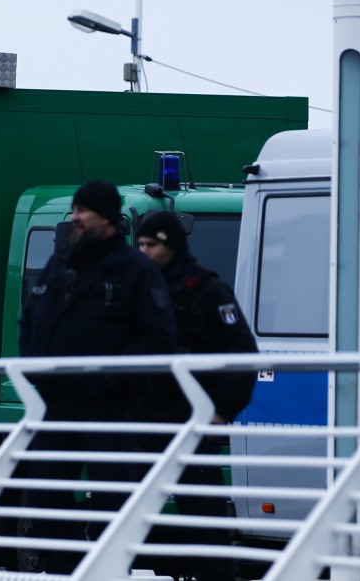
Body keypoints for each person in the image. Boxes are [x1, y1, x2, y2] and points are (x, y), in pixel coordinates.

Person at [17, 180, 177, 574]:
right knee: (42, 498)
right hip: (58, 404)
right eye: (73, 210)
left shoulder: (136, 270)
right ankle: (66, 571)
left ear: (105, 217)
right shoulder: (59, 264)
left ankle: (107, 571)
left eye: (81, 211)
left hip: (114, 408)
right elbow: (29, 320)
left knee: (115, 502)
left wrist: (109, 375)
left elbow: (159, 339)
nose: (74, 217)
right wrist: (35, 364)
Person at [136, 209, 257, 581]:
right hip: (142, 427)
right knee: (122, 525)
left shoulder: (208, 290)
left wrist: (221, 412)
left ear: (171, 245)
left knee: (206, 532)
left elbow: (242, 356)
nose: (144, 252)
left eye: (152, 245)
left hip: (192, 428)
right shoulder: (137, 289)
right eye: (140, 244)